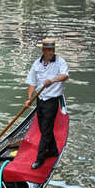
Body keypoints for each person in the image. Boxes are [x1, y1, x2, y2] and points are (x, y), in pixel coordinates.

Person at [24, 37, 68, 169]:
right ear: (43, 50)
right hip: (40, 99)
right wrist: (29, 98)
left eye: (53, 49)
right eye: (49, 49)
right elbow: (32, 82)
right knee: (44, 128)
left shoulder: (60, 62)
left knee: (47, 130)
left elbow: (65, 75)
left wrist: (53, 80)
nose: (51, 52)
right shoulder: (36, 64)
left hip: (52, 100)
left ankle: (40, 158)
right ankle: (53, 150)